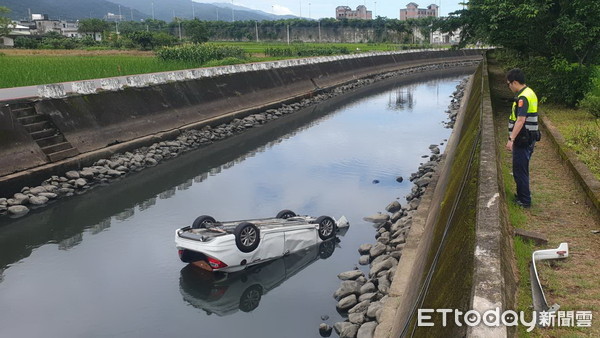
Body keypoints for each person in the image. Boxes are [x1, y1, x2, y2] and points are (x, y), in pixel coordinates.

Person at [505, 68, 539, 208]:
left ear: (515, 82)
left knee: (520, 170)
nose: (509, 87)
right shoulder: (529, 92)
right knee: (521, 168)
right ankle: (521, 195)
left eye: (509, 84)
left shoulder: (523, 97)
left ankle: (524, 201)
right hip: (529, 137)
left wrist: (511, 139)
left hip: (522, 139)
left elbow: (520, 120)